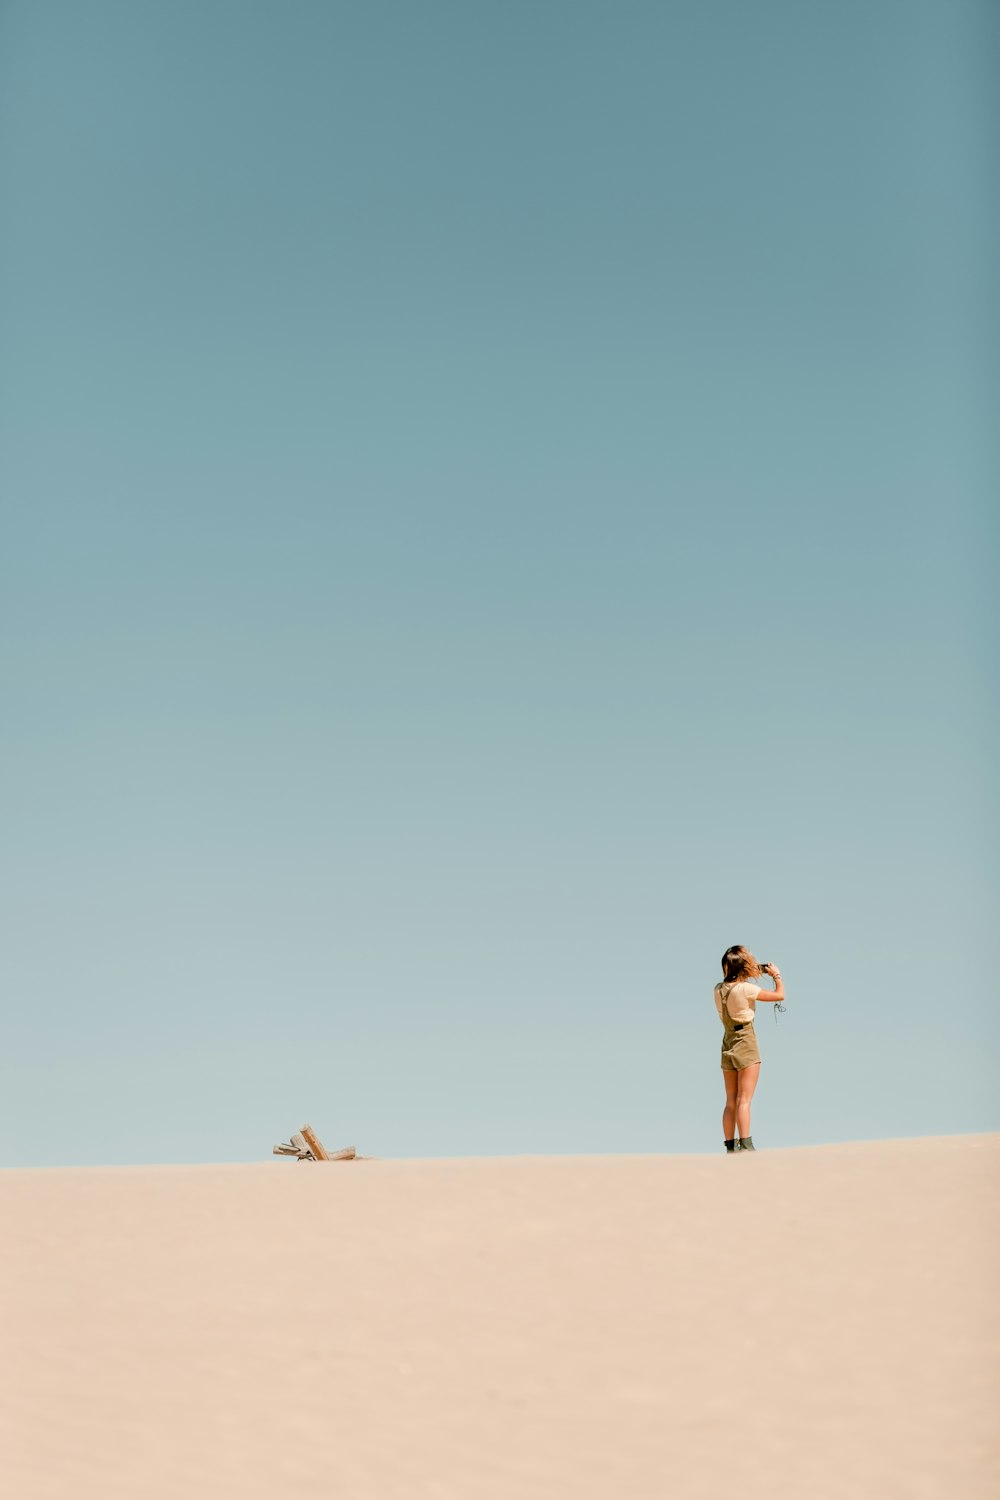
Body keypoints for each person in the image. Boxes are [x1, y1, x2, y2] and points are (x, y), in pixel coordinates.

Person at [714, 945, 785, 1152]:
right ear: (743, 966)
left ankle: (730, 1146)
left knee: (730, 1101)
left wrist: (752, 969)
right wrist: (776, 975)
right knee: (744, 1099)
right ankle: (746, 1144)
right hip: (745, 1040)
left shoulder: (718, 989)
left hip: (727, 1042)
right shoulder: (746, 989)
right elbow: (779, 995)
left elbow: (734, 981)